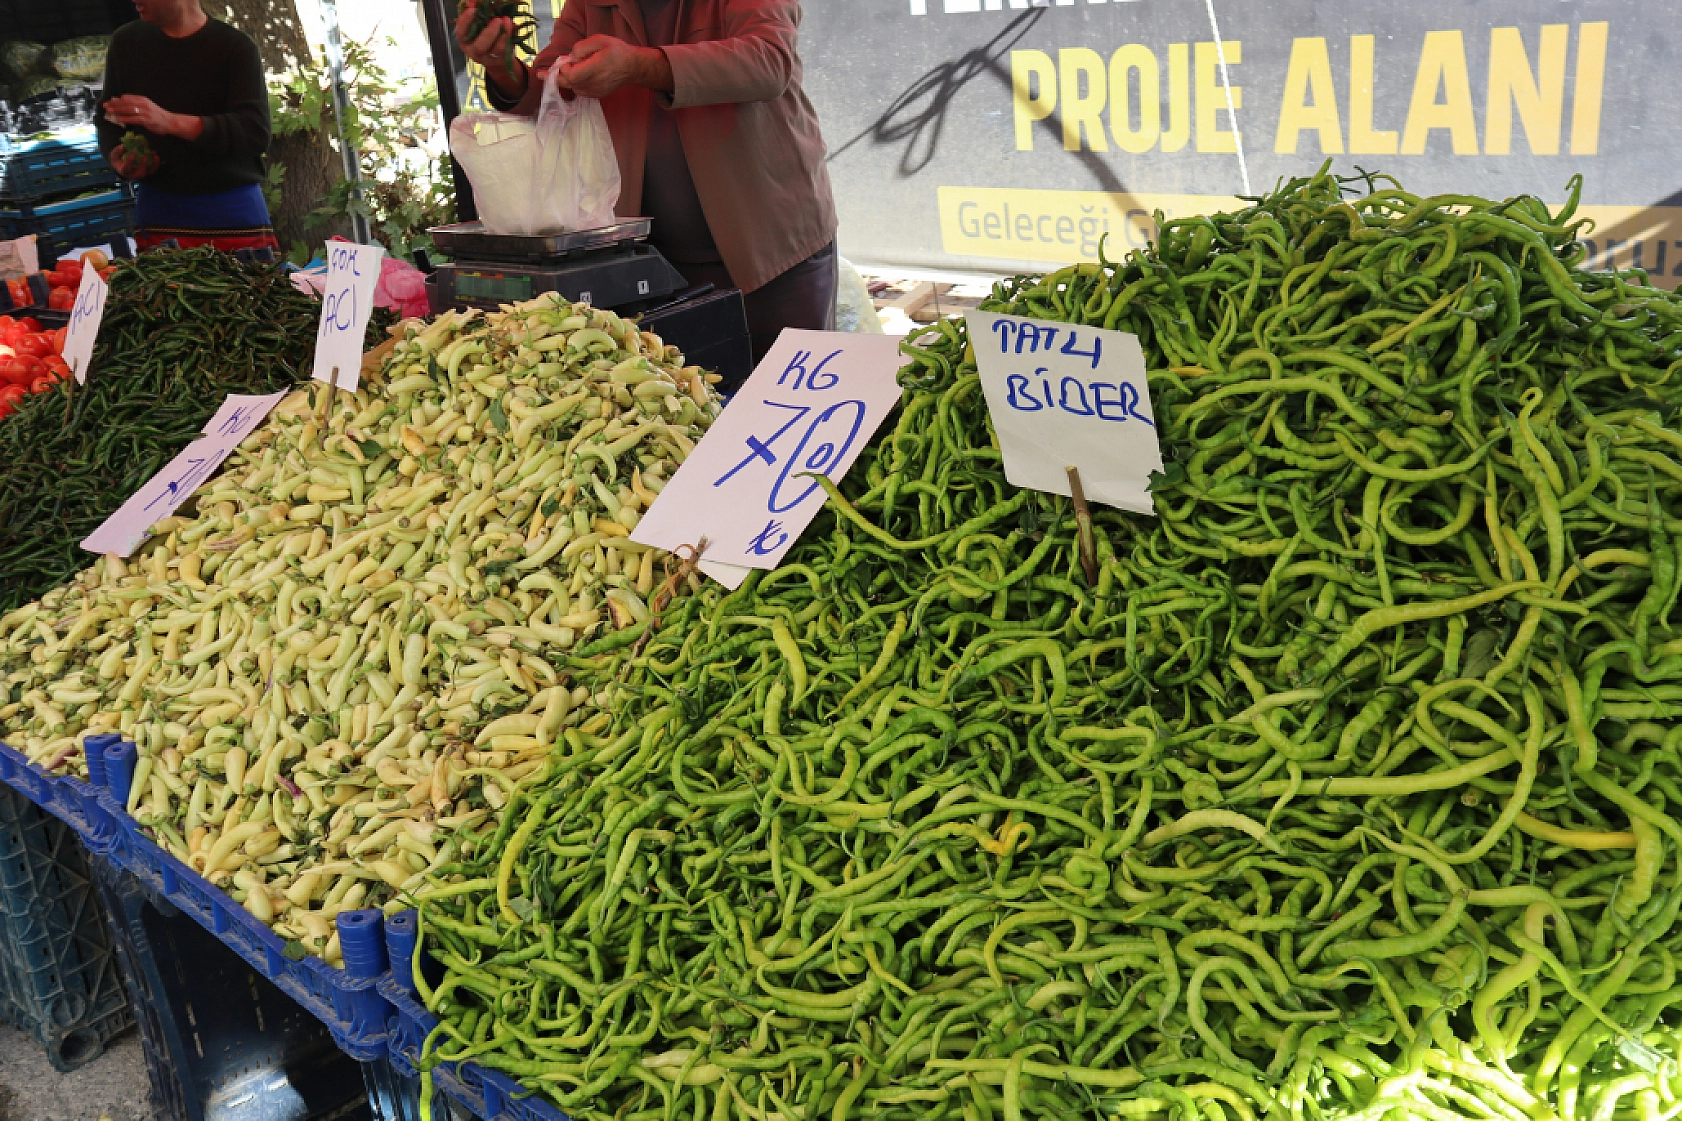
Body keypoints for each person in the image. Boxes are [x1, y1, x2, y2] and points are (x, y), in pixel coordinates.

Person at [457, 0, 838, 363]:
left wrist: (640, 66)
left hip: (773, 253)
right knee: (683, 407)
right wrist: (504, 69)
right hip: (653, 264)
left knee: (798, 402)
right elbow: (553, 88)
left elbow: (767, 61)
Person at [96, 0, 277, 253]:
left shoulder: (235, 47)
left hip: (230, 207)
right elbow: (108, 118)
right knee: (161, 292)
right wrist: (118, 157)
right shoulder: (126, 42)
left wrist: (169, 121)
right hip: (159, 207)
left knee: (249, 291)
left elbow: (254, 131)